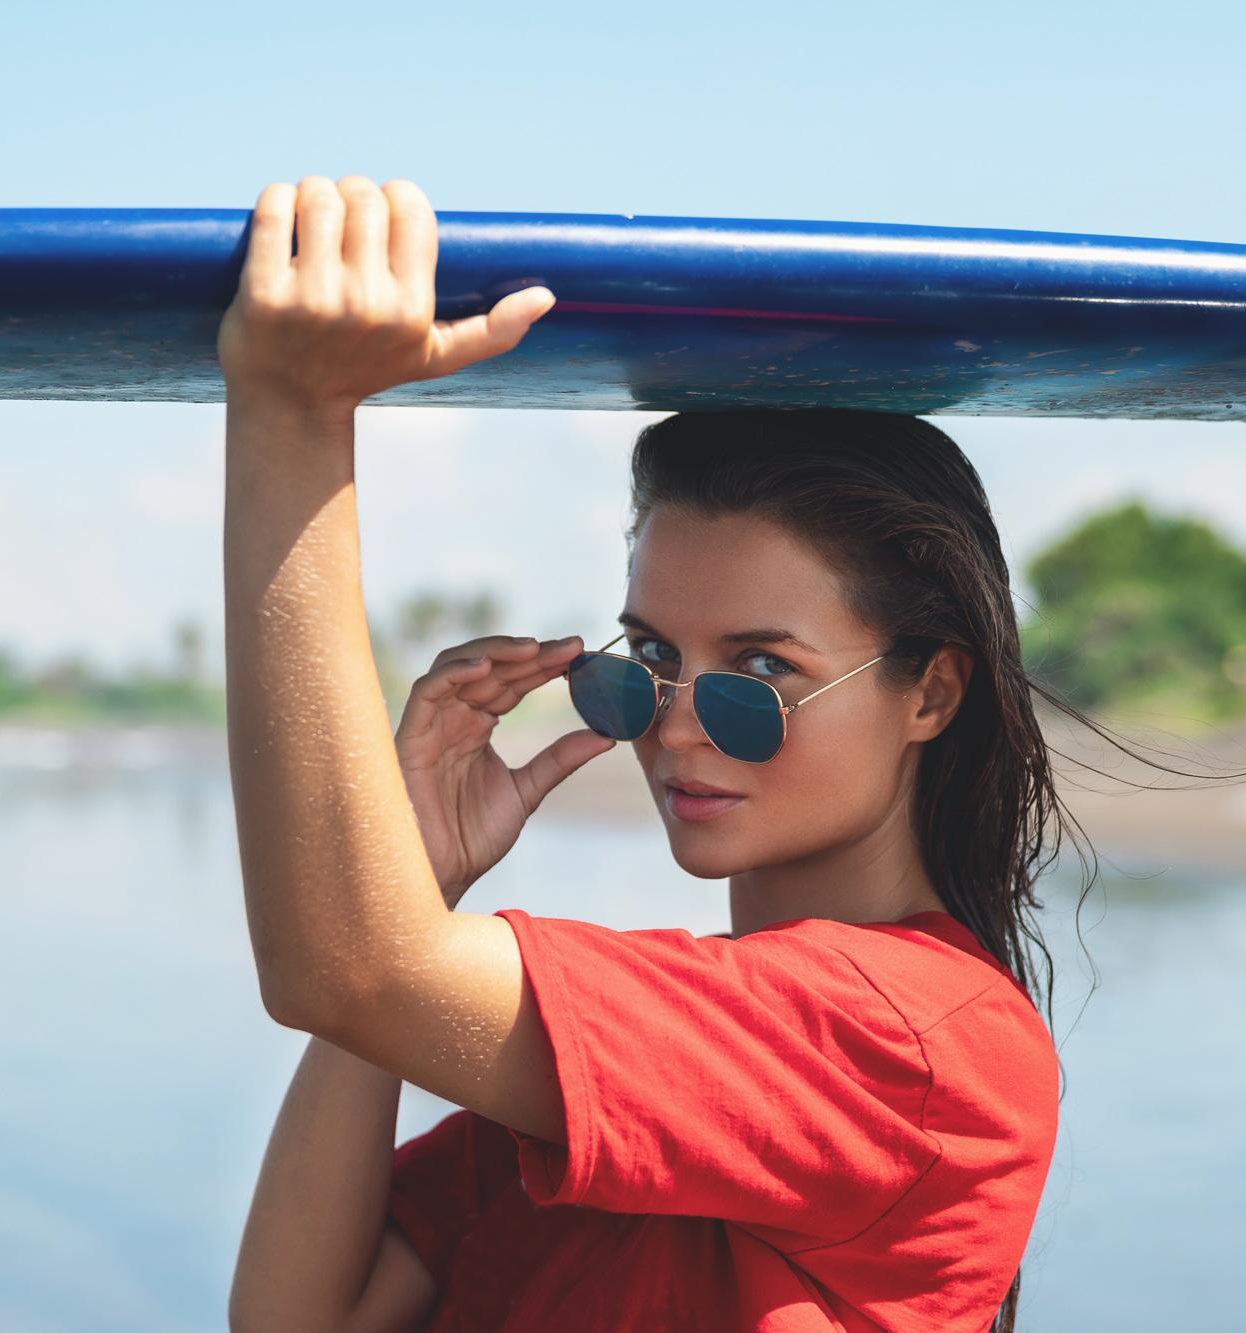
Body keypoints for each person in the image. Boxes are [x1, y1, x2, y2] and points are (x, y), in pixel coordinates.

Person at [219, 176, 1069, 1333]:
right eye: (651, 656)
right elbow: (295, 1321)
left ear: (929, 692)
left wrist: (290, 418)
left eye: (760, 673)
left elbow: (347, 968)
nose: (672, 725)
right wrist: (411, 894)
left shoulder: (916, 1045)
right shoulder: (631, 1082)